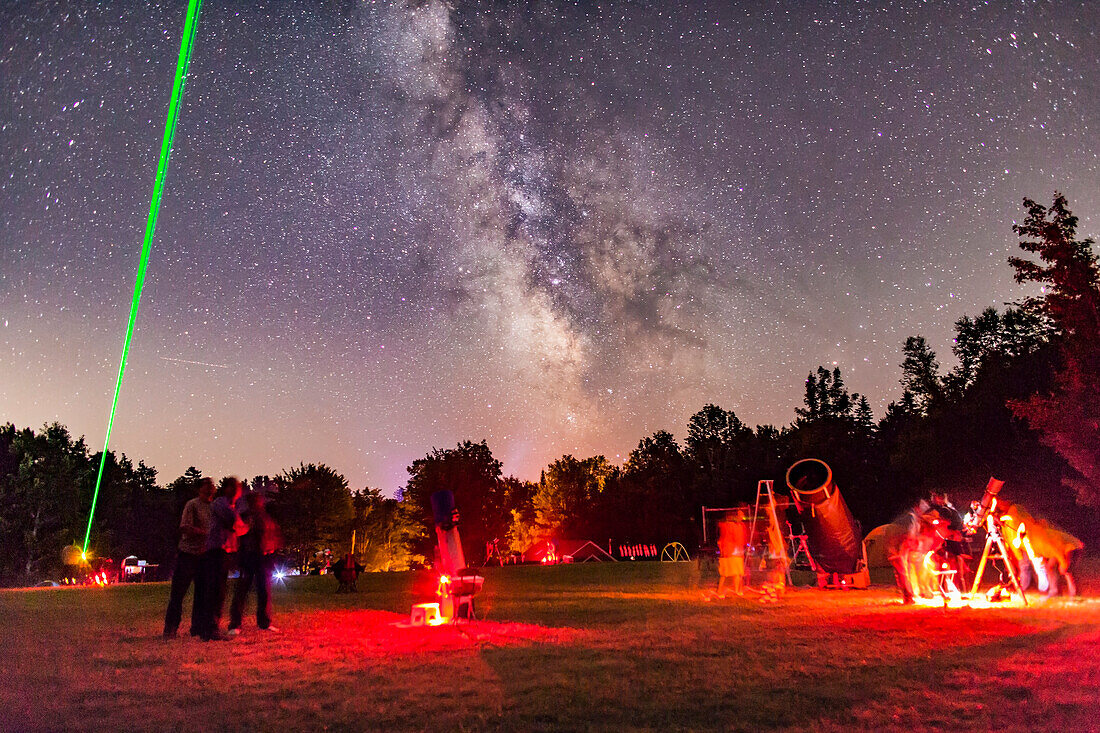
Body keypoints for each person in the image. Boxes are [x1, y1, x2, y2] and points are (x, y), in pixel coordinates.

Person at [163, 478, 216, 638]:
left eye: (212, 487)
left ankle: (197, 627)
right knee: (178, 592)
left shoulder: (213, 507)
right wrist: (205, 533)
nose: (210, 490)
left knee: (202, 593)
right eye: (207, 487)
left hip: (205, 554)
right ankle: (170, 628)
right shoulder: (192, 505)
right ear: (200, 489)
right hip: (188, 553)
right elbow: (185, 527)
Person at [197, 477, 248, 641]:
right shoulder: (220, 503)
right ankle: (209, 628)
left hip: (226, 551)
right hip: (216, 550)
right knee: (215, 590)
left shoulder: (232, 506)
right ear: (226, 489)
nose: (237, 491)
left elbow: (242, 529)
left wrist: (240, 526)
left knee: (220, 590)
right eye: (234, 487)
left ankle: (211, 627)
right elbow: (234, 522)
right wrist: (240, 523)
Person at [228, 489, 283, 634]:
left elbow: (274, 537)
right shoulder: (245, 517)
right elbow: (239, 536)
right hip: (248, 558)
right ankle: (235, 624)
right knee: (242, 591)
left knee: (263, 591)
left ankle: (264, 622)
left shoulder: (265, 518)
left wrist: (272, 552)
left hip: (262, 559)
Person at [715, 508, 748, 598]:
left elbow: (741, 539)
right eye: (740, 515)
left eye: (742, 515)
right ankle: (719, 591)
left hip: (737, 553)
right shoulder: (728, 526)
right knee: (724, 574)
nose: (742, 517)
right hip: (728, 553)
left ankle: (737, 590)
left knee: (737, 573)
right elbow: (725, 539)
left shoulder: (740, 526)